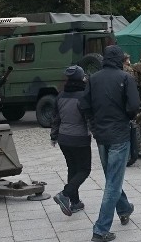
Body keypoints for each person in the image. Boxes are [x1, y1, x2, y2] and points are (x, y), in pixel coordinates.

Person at [80, 45, 140, 242]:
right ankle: (100, 229)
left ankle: (124, 209)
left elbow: (84, 105)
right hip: (119, 135)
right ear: (120, 59)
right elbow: (133, 107)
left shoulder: (93, 78)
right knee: (113, 182)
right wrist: (126, 116)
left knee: (111, 177)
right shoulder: (125, 78)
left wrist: (94, 123)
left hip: (101, 135)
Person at [51, 66, 92, 216]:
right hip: (79, 138)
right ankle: (65, 194)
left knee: (72, 169)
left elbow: (55, 118)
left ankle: (75, 203)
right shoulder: (84, 96)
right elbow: (89, 118)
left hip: (63, 138)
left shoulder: (61, 95)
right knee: (84, 169)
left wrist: (53, 136)